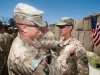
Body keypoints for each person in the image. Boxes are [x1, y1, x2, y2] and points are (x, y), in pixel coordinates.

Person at [7, 3, 75, 75]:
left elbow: (41, 43)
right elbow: (51, 72)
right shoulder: (25, 56)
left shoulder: (26, 39)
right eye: (37, 26)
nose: (40, 29)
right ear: (24, 28)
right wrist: (66, 53)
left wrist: (57, 44)